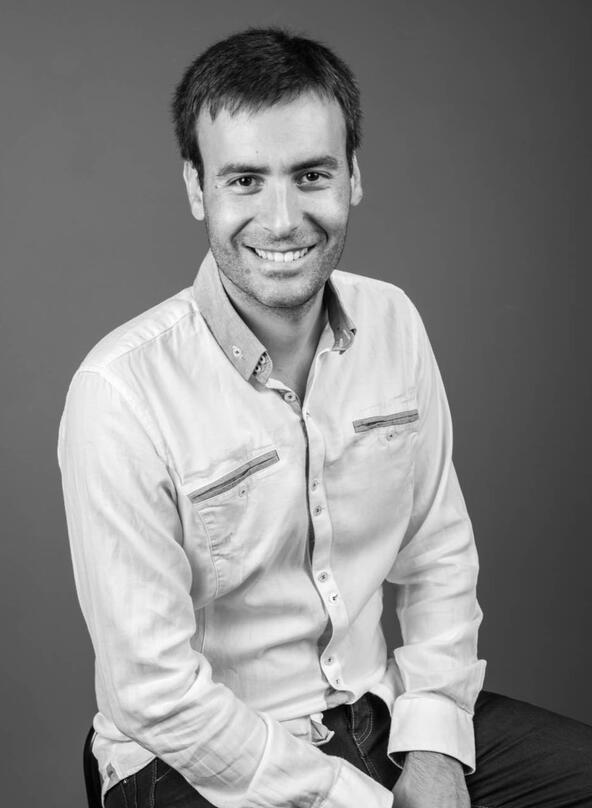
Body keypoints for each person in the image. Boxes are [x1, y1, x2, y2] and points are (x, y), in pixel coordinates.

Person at [58, 27, 592, 808]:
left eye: (311, 174)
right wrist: (362, 801)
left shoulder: (394, 321)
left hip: (375, 712)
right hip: (187, 758)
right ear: (196, 188)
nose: (282, 220)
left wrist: (435, 745)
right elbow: (155, 692)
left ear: (353, 176)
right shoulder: (120, 391)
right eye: (245, 180)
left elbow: (438, 551)